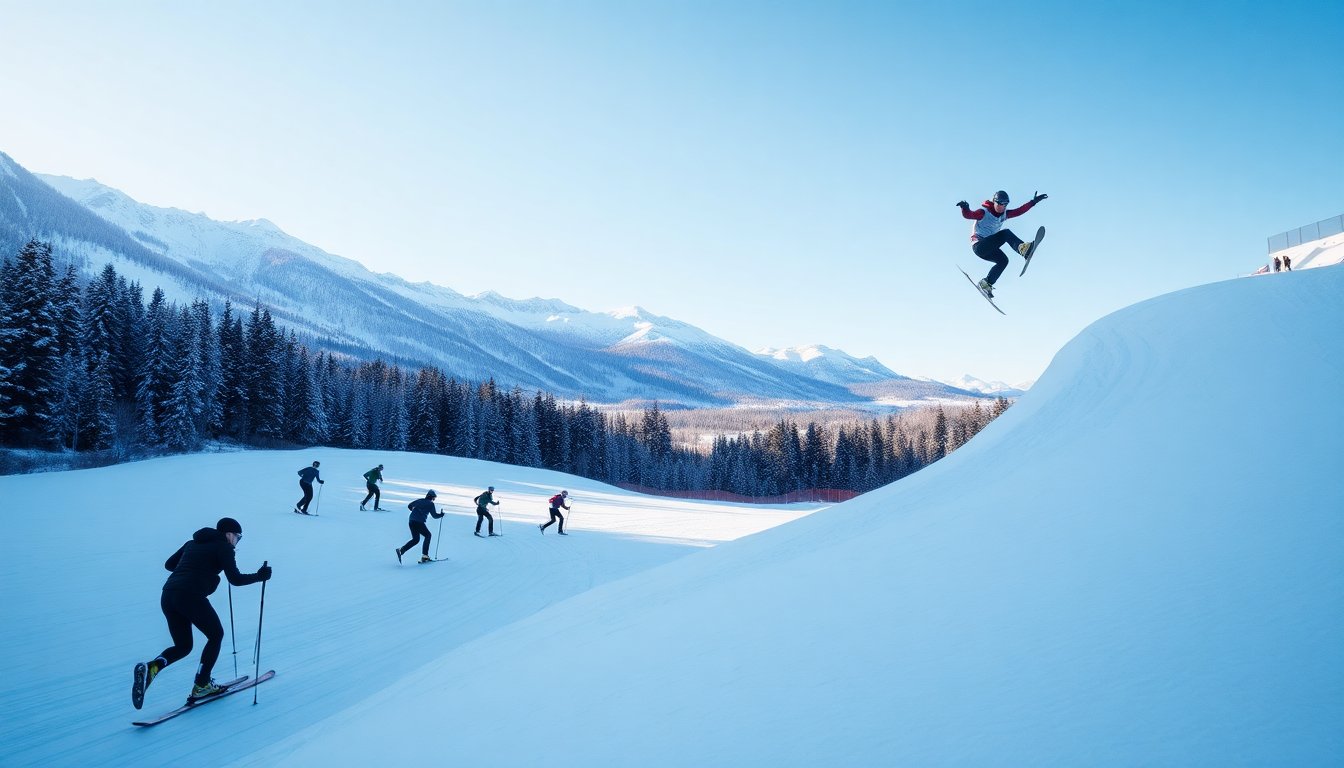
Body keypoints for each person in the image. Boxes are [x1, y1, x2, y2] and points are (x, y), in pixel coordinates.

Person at [131, 517, 271, 709]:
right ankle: (202, 685)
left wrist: (197, 566)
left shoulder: (192, 543)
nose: (237, 541)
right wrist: (260, 576)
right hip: (190, 595)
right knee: (216, 635)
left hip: (168, 595)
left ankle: (152, 667)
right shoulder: (224, 547)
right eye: (238, 537)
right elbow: (235, 579)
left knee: (183, 646)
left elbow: (169, 565)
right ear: (229, 534)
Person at [957, 189, 1047, 298]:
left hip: (988, 248)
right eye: (1000, 204)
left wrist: (1034, 201)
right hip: (979, 246)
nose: (1002, 207)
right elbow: (969, 215)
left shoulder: (1004, 214)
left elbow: (1019, 211)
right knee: (1005, 233)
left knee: (1003, 261)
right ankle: (1023, 249)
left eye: (1005, 204)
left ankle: (986, 284)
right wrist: (965, 208)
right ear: (994, 201)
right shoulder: (983, 213)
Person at [396, 490, 444, 563]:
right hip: (418, 522)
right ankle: (425, 556)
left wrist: (415, 511)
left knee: (416, 539)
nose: (434, 499)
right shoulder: (431, 504)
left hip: (411, 520)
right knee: (428, 535)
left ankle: (401, 550)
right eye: (434, 498)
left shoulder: (420, 500)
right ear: (432, 497)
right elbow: (434, 516)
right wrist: (441, 515)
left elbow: (409, 506)